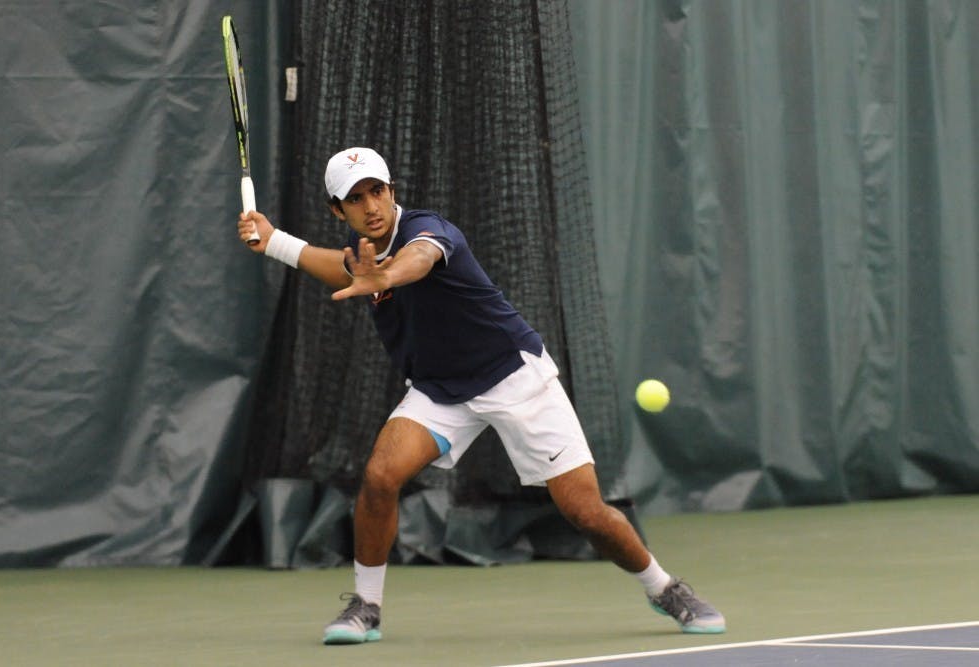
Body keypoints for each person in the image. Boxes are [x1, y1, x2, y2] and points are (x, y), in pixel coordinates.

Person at [237, 147, 726, 645]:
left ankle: (664, 587)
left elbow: (418, 260)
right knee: (381, 475)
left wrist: (386, 276)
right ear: (338, 210)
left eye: (377, 191)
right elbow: (344, 268)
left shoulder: (431, 232)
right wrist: (274, 241)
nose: (371, 206)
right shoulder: (362, 252)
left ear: (392, 190)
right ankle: (367, 605)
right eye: (355, 199)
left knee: (586, 512)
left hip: (514, 376)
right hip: (440, 390)